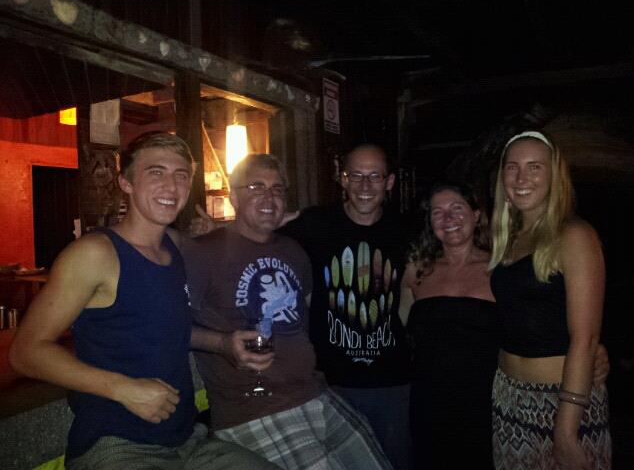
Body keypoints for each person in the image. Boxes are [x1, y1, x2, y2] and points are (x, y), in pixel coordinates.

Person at [9, 132, 276, 469]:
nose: (171, 186)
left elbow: (169, 327)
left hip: (187, 440)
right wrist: (124, 389)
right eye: (156, 172)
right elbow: (26, 352)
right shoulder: (95, 253)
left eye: (181, 175)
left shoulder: (174, 247)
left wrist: (224, 343)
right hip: (117, 445)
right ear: (126, 182)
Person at [189, 144, 413, 469]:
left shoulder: (293, 250)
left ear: (389, 182)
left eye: (277, 189)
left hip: (316, 392)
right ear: (233, 196)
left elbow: (304, 315)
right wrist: (222, 343)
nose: (269, 197)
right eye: (256, 187)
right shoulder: (201, 252)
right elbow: (165, 324)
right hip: (255, 407)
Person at [278, 144, 413, 470]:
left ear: (389, 182)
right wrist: (216, 231)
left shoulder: (407, 231)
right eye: (356, 175)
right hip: (329, 381)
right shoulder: (315, 224)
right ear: (343, 178)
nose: (365, 185)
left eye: (375, 176)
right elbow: (261, 234)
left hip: (391, 381)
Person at [489, 131, 611, 469]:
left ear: (555, 176)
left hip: (560, 399)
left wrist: (566, 430)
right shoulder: (507, 239)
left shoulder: (574, 235)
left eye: (535, 167)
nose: (521, 178)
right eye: (512, 167)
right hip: (508, 396)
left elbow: (586, 338)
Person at [400, 182, 500, 469]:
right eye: (438, 212)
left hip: (486, 407)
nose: (448, 218)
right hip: (429, 405)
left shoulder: (501, 269)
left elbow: (533, 328)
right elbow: (396, 329)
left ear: (476, 215)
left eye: (457, 208)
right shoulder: (417, 272)